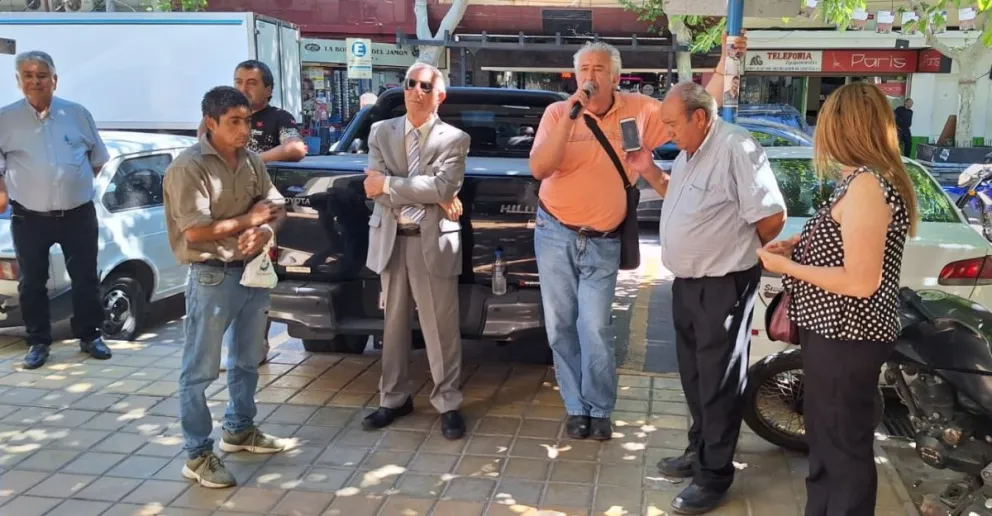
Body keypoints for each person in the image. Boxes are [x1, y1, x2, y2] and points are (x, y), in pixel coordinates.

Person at [528, 33, 745, 443]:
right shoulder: (558, 113)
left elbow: (696, 106)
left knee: (594, 327)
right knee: (560, 327)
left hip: (604, 239)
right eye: (584, 69)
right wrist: (571, 115)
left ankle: (599, 407)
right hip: (554, 233)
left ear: (616, 77)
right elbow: (540, 168)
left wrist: (723, 64)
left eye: (598, 70)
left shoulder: (640, 111)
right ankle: (575, 407)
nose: (590, 77)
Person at [624, 82, 787, 514]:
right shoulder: (689, 153)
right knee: (696, 377)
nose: (667, 132)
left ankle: (714, 475)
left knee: (718, 382)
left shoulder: (735, 147)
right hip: (688, 284)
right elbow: (676, 195)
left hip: (723, 284)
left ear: (699, 117)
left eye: (672, 123)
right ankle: (699, 450)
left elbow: (772, 217)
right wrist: (648, 169)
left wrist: (739, 251)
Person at [757, 83, 917, 516]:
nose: (818, 133)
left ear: (844, 128)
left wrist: (786, 267)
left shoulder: (867, 185)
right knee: (828, 444)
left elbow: (861, 281)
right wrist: (798, 247)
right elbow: (846, 250)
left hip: (847, 336)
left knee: (842, 450)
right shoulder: (858, 180)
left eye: (824, 123)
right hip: (836, 334)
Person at [164, 86, 288, 488]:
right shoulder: (189, 166)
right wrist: (250, 220)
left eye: (247, 121)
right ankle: (197, 453)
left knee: (248, 360)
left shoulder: (252, 161)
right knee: (200, 370)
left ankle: (239, 429)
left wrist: (267, 230)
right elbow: (195, 231)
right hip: (212, 276)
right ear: (210, 122)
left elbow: (276, 207)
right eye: (234, 121)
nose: (244, 129)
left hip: (253, 271)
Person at [361, 63, 469, 440]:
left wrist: (391, 184)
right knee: (392, 327)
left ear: (440, 96)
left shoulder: (455, 138)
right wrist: (430, 193)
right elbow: (371, 188)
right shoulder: (380, 131)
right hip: (391, 240)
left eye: (426, 86)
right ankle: (393, 399)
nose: (416, 91)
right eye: (410, 84)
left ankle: (448, 403)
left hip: (433, 242)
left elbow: (443, 188)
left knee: (441, 329)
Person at [0, 51, 112, 370]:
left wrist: (71, 185)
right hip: (29, 217)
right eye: (28, 75)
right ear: (19, 80)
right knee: (32, 282)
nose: (35, 81)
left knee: (86, 278)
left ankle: (90, 336)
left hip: (78, 214)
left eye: (42, 75)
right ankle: (38, 342)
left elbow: (97, 160)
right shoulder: (5, 119)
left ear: (54, 80)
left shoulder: (76, 114)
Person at [200, 60, 306, 369]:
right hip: (223, 215)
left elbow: (296, 148)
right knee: (220, 282)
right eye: (238, 81)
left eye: (251, 83)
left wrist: (253, 159)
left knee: (256, 282)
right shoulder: (217, 118)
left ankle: (254, 347)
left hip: (262, 214)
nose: (243, 88)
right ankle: (219, 350)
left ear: (268, 89)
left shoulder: (279, 118)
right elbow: (203, 147)